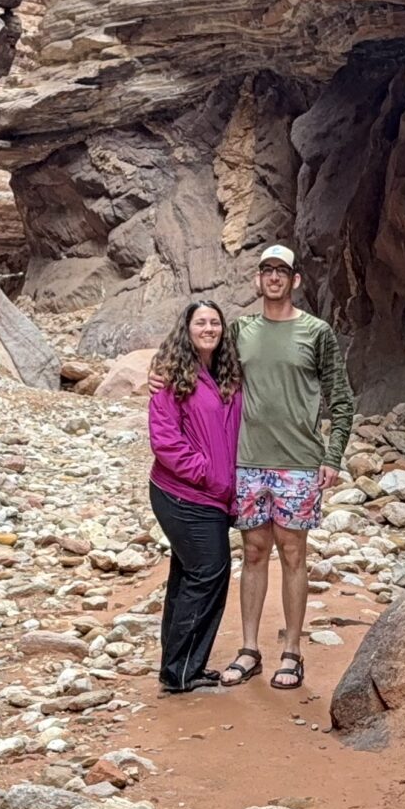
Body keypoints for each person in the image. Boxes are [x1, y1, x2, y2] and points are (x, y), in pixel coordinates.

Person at [221, 243, 355, 693]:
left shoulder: (316, 332)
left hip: (298, 463)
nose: (274, 277)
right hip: (249, 461)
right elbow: (208, 378)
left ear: (295, 279)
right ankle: (249, 649)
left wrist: (332, 457)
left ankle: (292, 652)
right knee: (253, 552)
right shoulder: (240, 330)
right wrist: (161, 378)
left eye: (282, 270)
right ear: (258, 279)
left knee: (294, 554)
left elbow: (341, 398)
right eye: (267, 270)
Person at [145, 297, 244, 694]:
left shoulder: (227, 375)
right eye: (200, 322)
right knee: (208, 573)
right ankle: (182, 670)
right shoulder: (172, 376)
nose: (208, 329)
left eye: (214, 323)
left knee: (188, 574)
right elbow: (165, 441)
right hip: (184, 494)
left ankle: (177, 668)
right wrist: (209, 473)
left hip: (211, 496)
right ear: (186, 330)